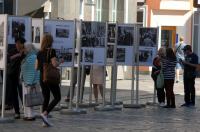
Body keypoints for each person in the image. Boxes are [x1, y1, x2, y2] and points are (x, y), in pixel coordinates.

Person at [36, 34, 62, 126]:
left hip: (42, 78)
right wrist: (60, 62)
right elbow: (54, 64)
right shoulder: (52, 51)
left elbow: (36, 67)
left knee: (46, 98)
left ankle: (44, 121)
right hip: (50, 78)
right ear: (50, 42)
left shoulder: (39, 52)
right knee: (58, 97)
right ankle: (45, 113)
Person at [6, 37, 26, 119]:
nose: (17, 45)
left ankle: (26, 110)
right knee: (14, 94)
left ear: (22, 44)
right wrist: (18, 55)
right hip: (12, 75)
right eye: (16, 43)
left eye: (19, 43)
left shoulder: (25, 51)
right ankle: (17, 112)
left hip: (21, 75)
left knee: (22, 93)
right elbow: (8, 59)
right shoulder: (13, 50)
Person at [21, 44, 40, 121]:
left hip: (29, 81)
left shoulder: (32, 57)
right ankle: (26, 114)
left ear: (28, 49)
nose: (23, 50)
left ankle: (31, 115)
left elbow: (34, 71)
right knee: (26, 99)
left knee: (30, 99)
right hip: (26, 80)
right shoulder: (29, 56)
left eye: (24, 48)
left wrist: (31, 81)